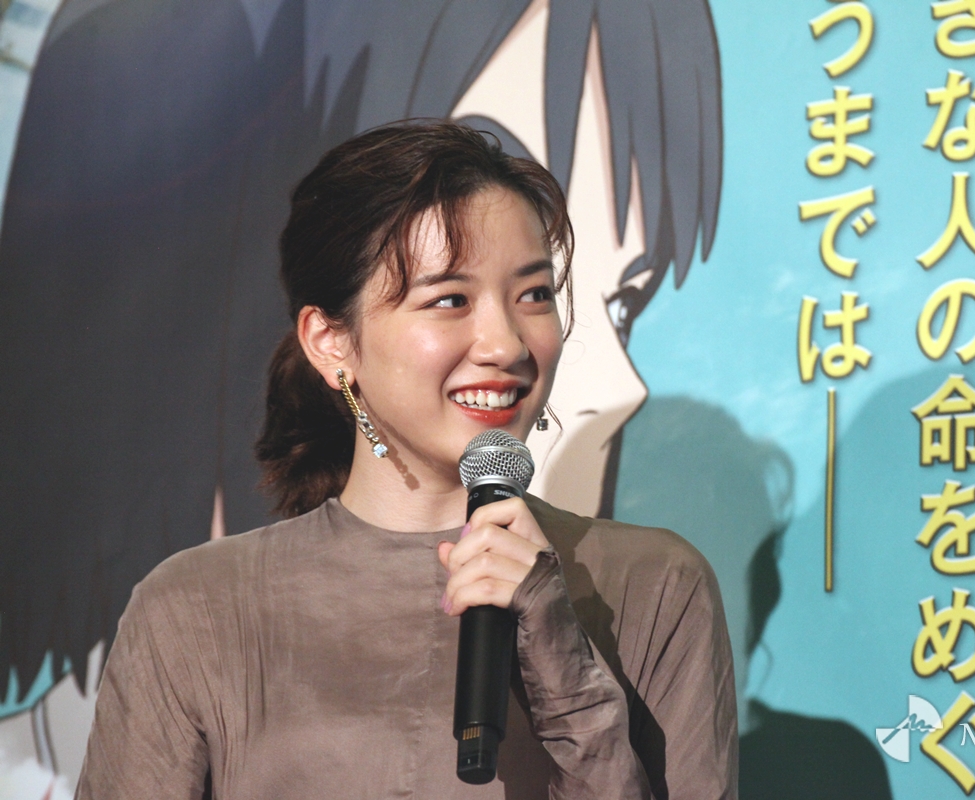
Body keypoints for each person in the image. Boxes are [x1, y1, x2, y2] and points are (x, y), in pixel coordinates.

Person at [0, 7, 720, 784]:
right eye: (449, 300)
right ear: (331, 343)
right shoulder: (194, 610)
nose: (507, 344)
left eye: (534, 295)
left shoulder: (653, 586)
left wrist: (565, 668)